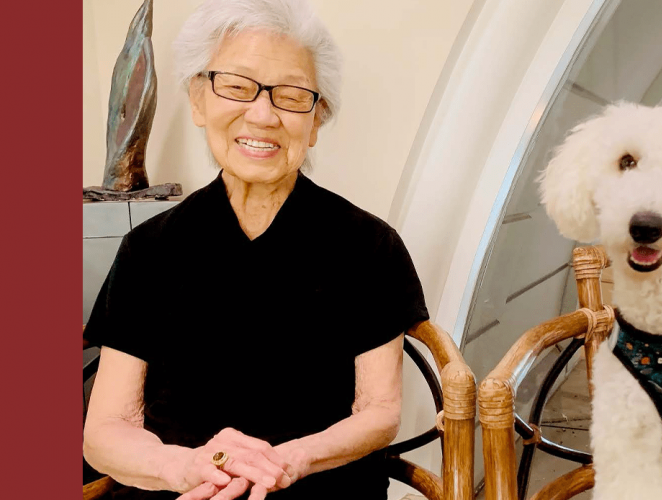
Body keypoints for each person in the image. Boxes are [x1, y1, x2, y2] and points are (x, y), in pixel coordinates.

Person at [82, 1, 429, 499]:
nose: (262, 115)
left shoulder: (369, 246)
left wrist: (286, 462)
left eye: (291, 96)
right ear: (198, 101)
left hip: (319, 488)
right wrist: (187, 467)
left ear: (316, 118)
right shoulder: (148, 249)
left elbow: (379, 412)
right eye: (237, 87)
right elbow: (106, 429)